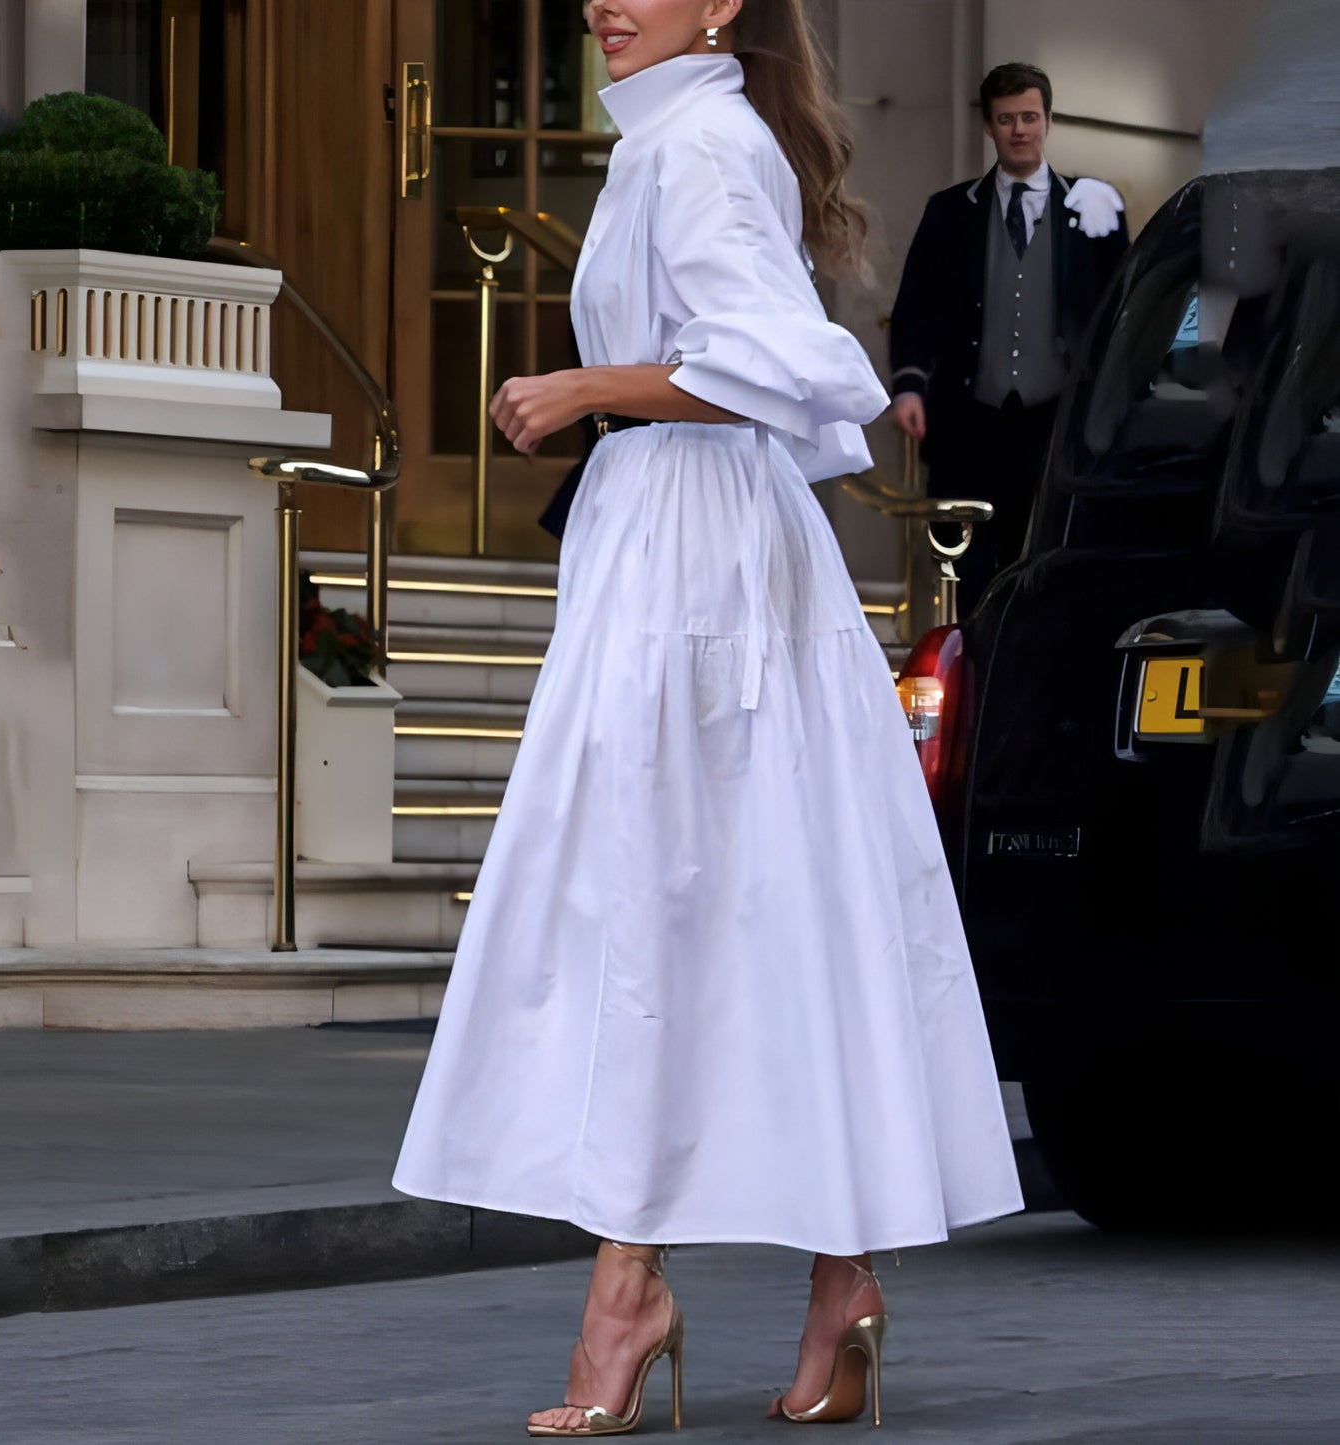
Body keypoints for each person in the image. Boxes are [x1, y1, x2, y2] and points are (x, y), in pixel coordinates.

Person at [394, 1, 1024, 1434]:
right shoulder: (677, 142)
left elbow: (804, 372)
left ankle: (635, 1294)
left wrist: (583, 386)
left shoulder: (701, 149)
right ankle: (821, 1284)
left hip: (699, 566)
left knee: (665, 899)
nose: (607, 1)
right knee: (747, 901)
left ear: (722, 4)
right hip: (682, 540)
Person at [889, 61, 1129, 615]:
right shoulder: (950, 212)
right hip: (969, 419)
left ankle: (1033, 681)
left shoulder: (1092, 208)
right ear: (988, 126)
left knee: (1047, 564)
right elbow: (916, 306)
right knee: (969, 573)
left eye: (1028, 117)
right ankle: (975, 677)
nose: (1019, 129)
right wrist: (908, 387)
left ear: (1048, 121)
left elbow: (1120, 311)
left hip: (1055, 421)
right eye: (1006, 119)